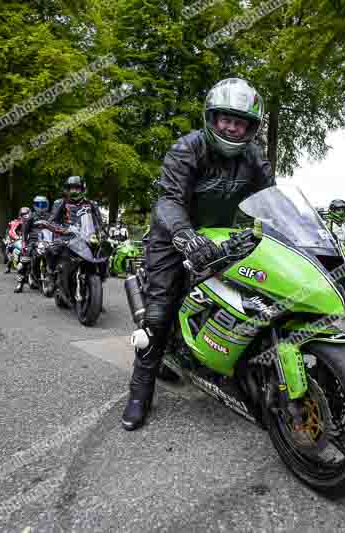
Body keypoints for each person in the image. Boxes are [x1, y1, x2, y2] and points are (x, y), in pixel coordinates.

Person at [121, 77, 275, 431]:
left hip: (221, 237)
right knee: (159, 313)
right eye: (226, 119)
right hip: (174, 235)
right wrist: (184, 236)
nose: (232, 128)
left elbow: (271, 199)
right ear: (212, 117)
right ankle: (139, 392)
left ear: (250, 128)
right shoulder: (187, 147)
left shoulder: (253, 156)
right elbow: (169, 199)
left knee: (256, 294)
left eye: (240, 122)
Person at [45, 176, 105, 286]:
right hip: (67, 236)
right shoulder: (61, 203)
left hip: (87, 236)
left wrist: (102, 232)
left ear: (82, 189)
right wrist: (62, 229)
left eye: (76, 188)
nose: (74, 191)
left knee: (105, 251)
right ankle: (51, 275)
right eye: (71, 188)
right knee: (51, 249)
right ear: (67, 190)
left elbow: (99, 223)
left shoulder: (91, 204)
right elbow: (51, 221)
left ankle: (101, 276)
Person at [15, 196, 51, 293]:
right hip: (33, 242)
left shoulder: (51, 216)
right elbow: (24, 232)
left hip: (48, 241)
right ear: (34, 205)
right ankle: (20, 284)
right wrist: (24, 244)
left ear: (47, 205)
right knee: (23, 262)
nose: (41, 207)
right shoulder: (30, 217)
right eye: (38, 204)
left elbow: (57, 229)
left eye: (43, 204)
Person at [4, 208, 29, 274]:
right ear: (20, 215)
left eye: (26, 214)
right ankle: (8, 266)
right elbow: (12, 231)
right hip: (16, 239)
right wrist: (17, 237)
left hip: (26, 239)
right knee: (9, 247)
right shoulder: (15, 222)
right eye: (23, 214)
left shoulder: (31, 222)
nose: (25, 216)